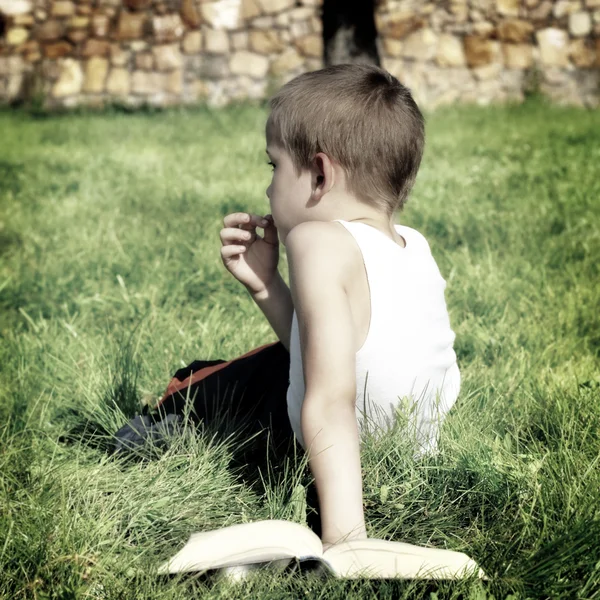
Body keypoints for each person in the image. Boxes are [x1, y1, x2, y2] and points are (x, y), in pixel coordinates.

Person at [218, 64, 460, 552]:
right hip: (407, 452)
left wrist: (346, 540)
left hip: (332, 451)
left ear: (321, 173)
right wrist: (266, 284)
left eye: (275, 166)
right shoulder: (414, 244)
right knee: (278, 363)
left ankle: (161, 420)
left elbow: (329, 399)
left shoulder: (316, 241)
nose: (269, 188)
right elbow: (336, 355)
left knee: (229, 377)